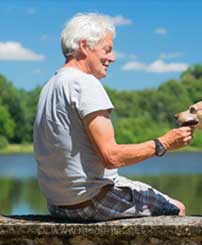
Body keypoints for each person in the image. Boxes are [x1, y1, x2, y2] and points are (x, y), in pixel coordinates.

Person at [33, 13, 193, 222]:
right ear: (84, 46)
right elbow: (111, 157)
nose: (113, 57)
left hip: (57, 205)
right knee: (177, 208)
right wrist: (162, 143)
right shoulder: (85, 84)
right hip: (91, 201)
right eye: (107, 50)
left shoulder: (50, 85)